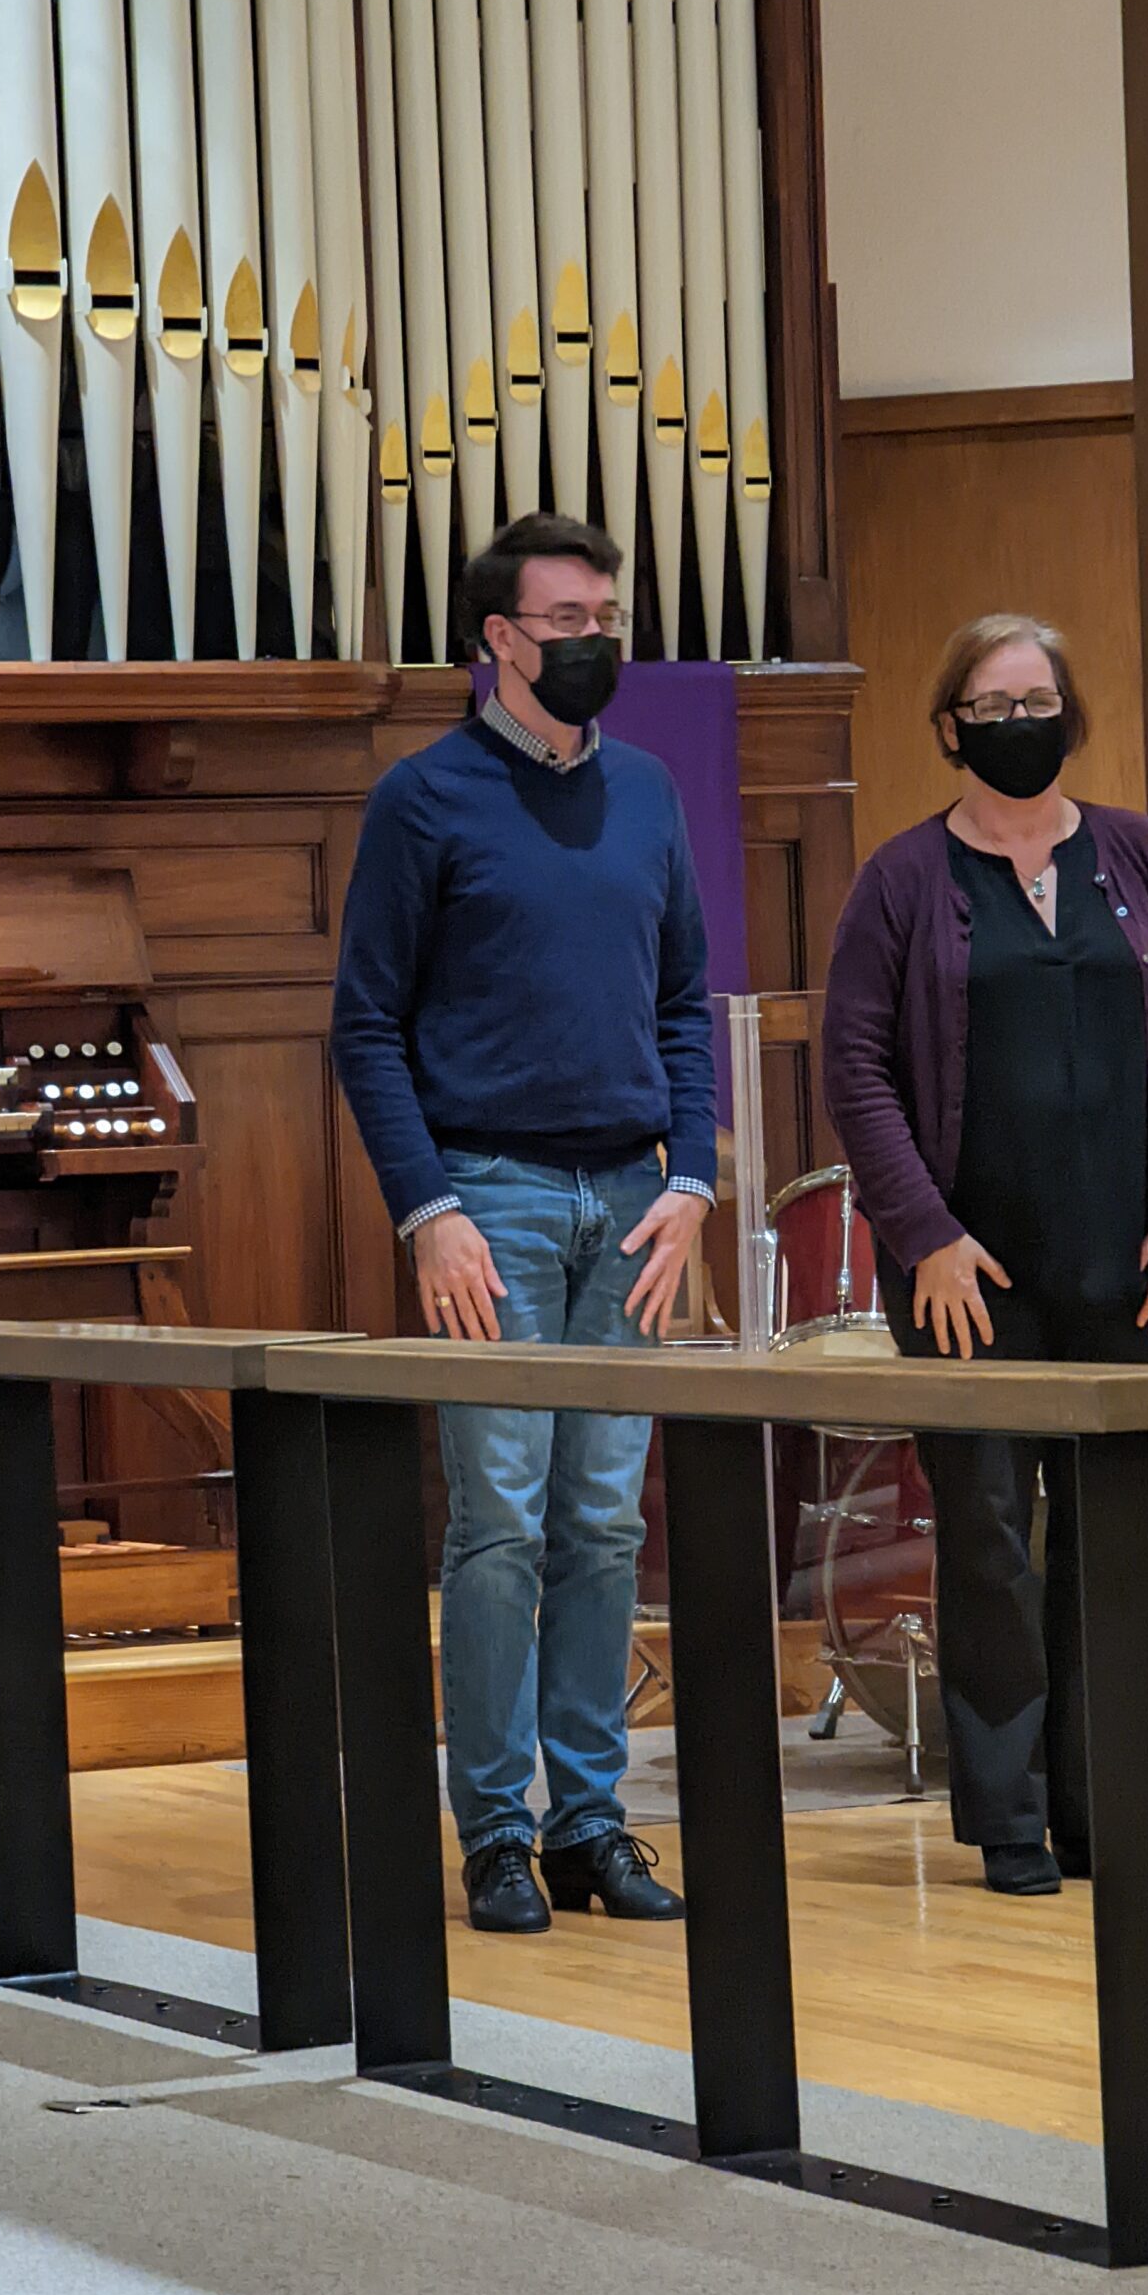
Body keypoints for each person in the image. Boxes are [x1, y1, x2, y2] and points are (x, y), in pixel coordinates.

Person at [330, 514, 715, 1935]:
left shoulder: (654, 793)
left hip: (631, 1200)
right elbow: (366, 1028)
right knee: (498, 1522)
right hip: (484, 1192)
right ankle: (496, 1829)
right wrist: (429, 1208)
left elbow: (684, 1004)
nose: (594, 639)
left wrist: (694, 1178)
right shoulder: (423, 798)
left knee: (605, 1525)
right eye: (566, 620)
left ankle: (592, 1823)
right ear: (498, 639)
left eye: (607, 613)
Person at [822, 612, 1148, 1895]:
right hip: (968, 1278)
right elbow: (855, 1069)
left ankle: (1103, 1804)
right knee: (992, 1538)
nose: (1018, 724)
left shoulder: (1139, 855)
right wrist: (924, 1234)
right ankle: (1007, 1817)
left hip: (1128, 1258)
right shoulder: (900, 880)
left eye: (1035, 700)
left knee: (1112, 1537)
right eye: (991, 707)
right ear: (949, 727)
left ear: (1071, 713)